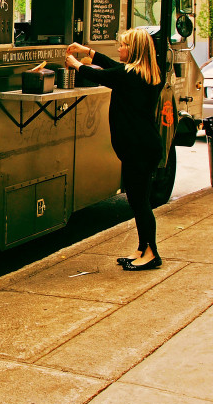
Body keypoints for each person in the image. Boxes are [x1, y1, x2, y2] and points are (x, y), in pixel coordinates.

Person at [66, 29, 164, 270]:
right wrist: (87, 51)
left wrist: (76, 64)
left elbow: (102, 74)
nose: (119, 49)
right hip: (144, 146)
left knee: (140, 202)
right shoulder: (143, 73)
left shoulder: (129, 76)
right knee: (138, 200)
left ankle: (151, 253)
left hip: (139, 149)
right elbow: (112, 66)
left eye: (123, 45)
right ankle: (142, 248)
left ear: (134, 50)